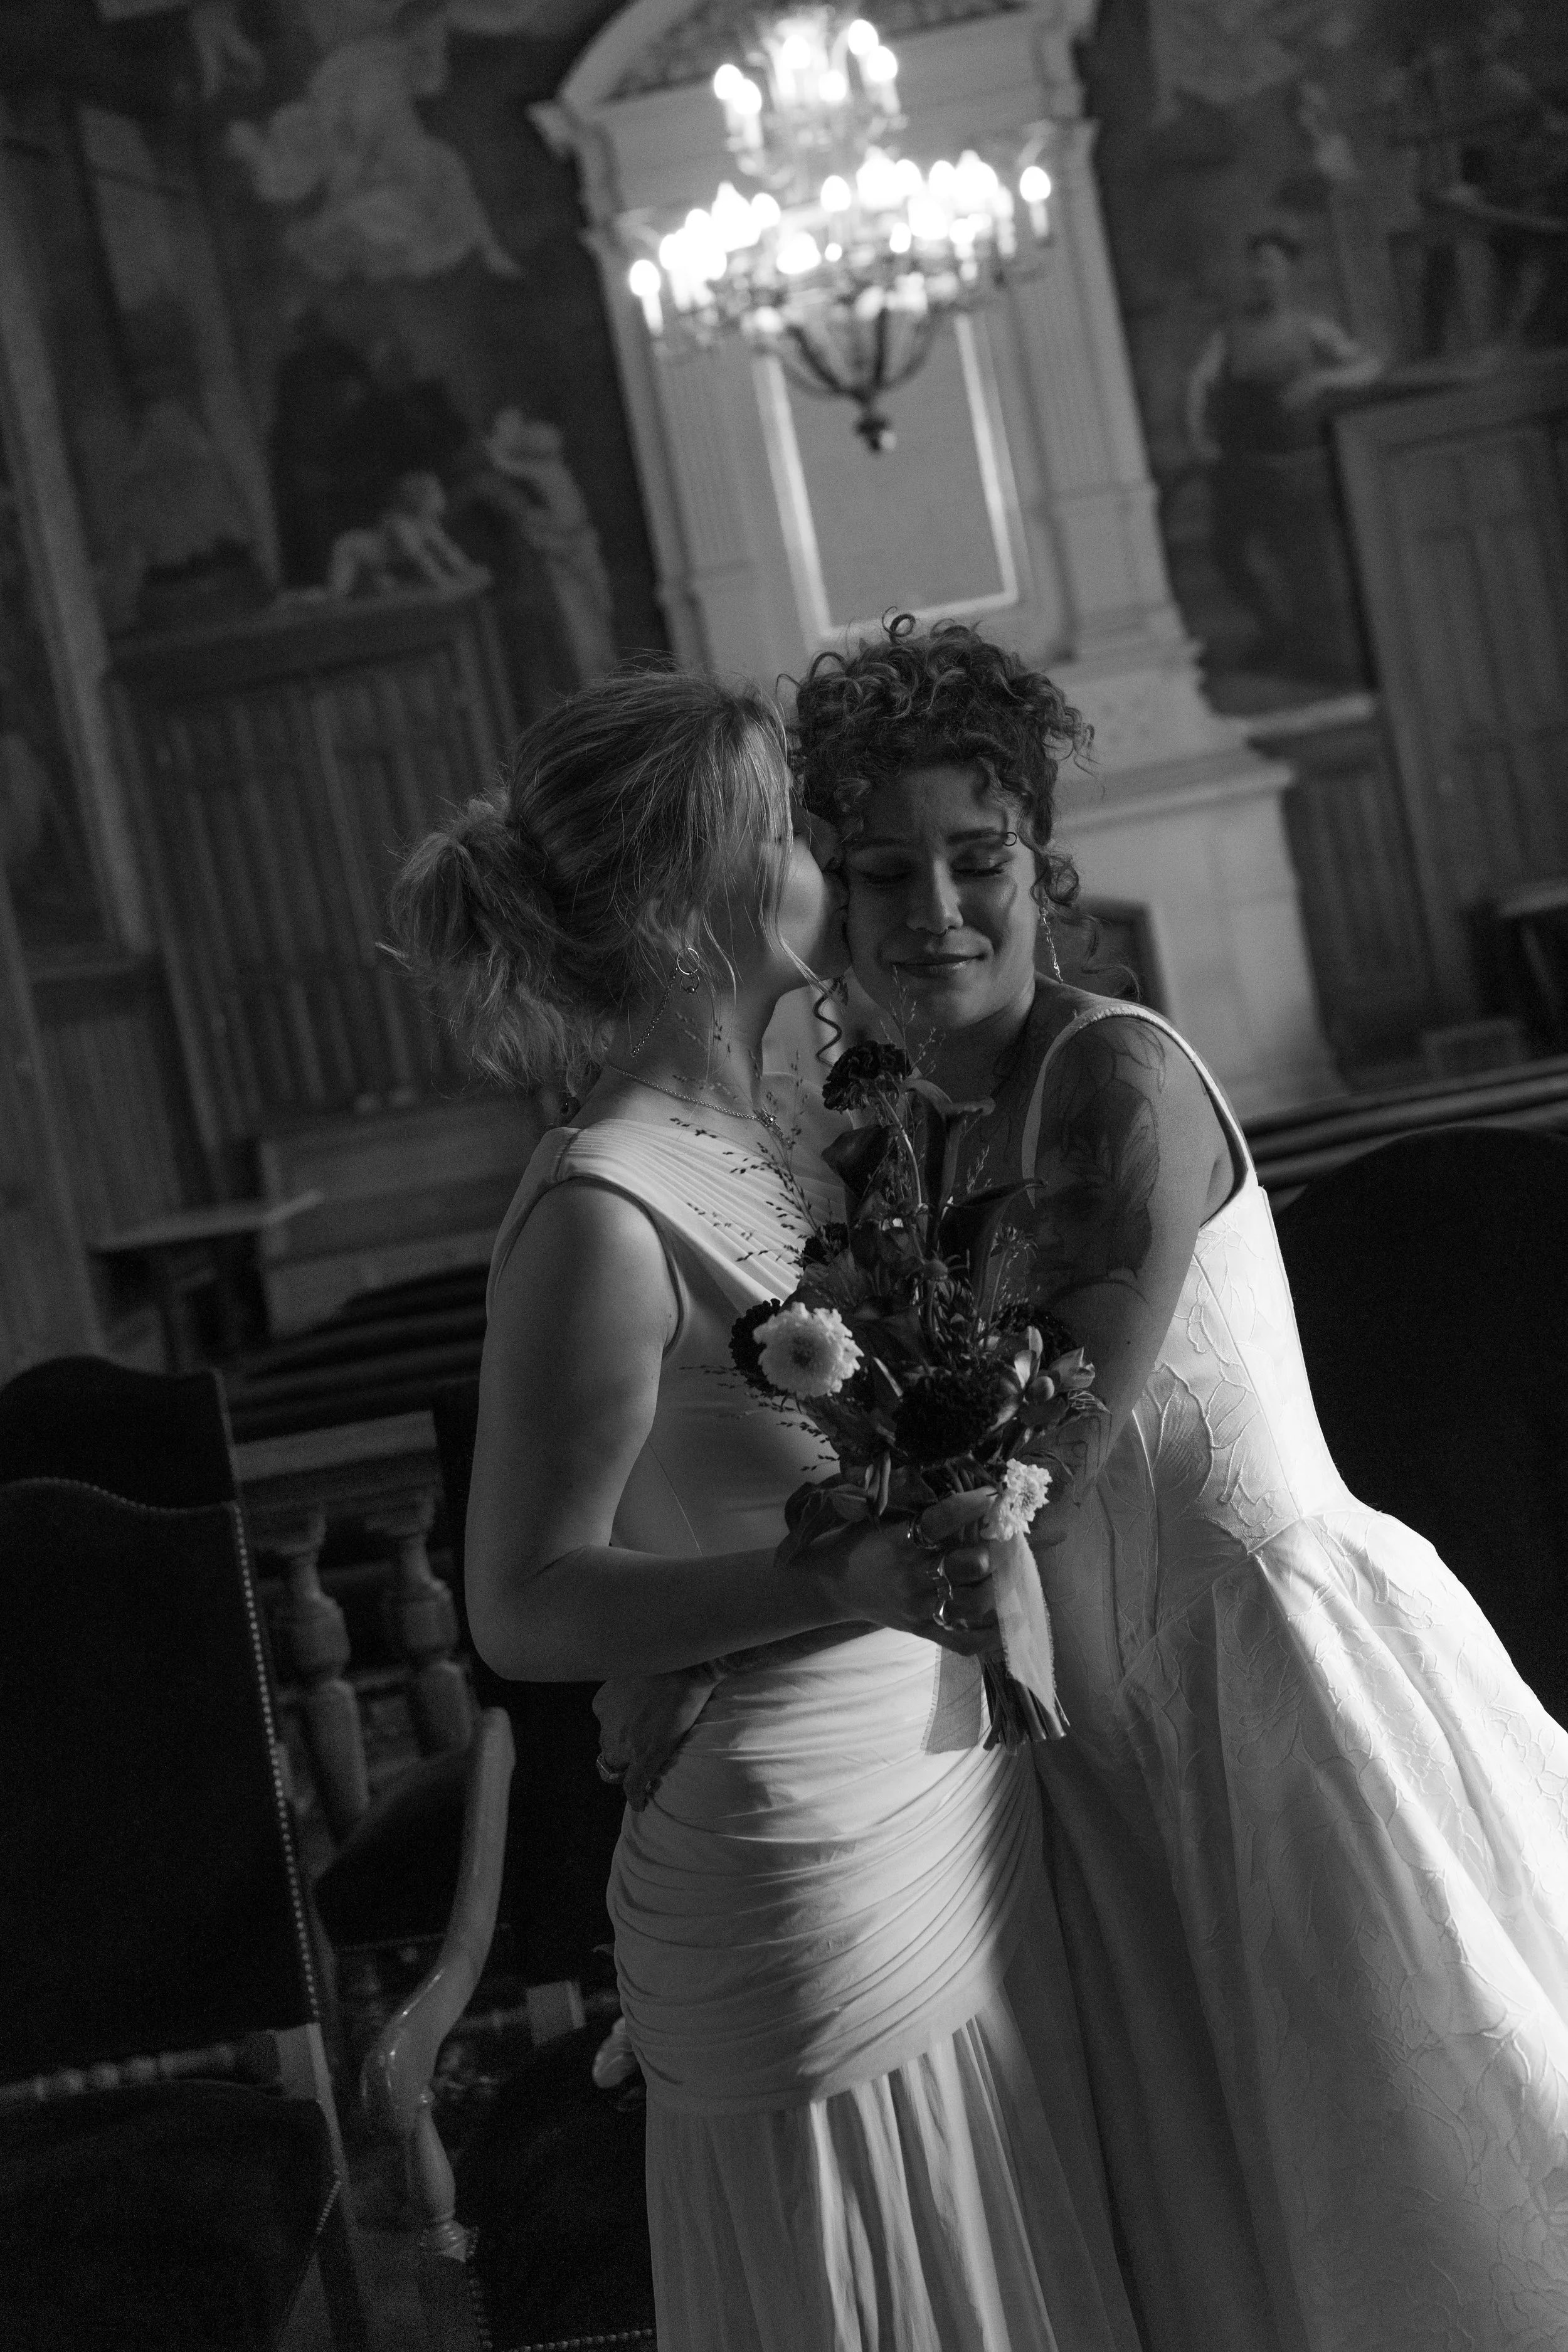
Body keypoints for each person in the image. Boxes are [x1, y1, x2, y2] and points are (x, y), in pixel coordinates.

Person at [792, 615, 1568, 2352]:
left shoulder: (1111, 1078)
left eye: (973, 859)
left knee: (1422, 2179)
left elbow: (1029, 1452)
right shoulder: (913, 1134)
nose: (932, 910)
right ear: (825, 901)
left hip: (1267, 1688)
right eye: (878, 871)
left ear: (1039, 866)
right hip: (1109, 1724)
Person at [389, 668, 1143, 2352]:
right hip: (798, 1852)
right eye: (778, 826)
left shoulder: (784, 1137)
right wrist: (846, 1576)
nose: (817, 851)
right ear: (691, 897)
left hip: (933, 1797)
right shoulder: (600, 1202)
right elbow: (520, 1599)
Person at [1185, 228, 1380, 666]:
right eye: (1256, 264)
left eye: (1271, 264)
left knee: (1305, 564)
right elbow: (1199, 386)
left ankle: (1319, 652)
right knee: (1228, 553)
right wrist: (1201, 440)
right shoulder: (1231, 334)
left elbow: (1370, 366)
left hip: (1298, 472)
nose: (1261, 275)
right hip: (1246, 468)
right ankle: (1275, 630)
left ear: (1289, 272)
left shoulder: (1312, 329)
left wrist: (1322, 378)